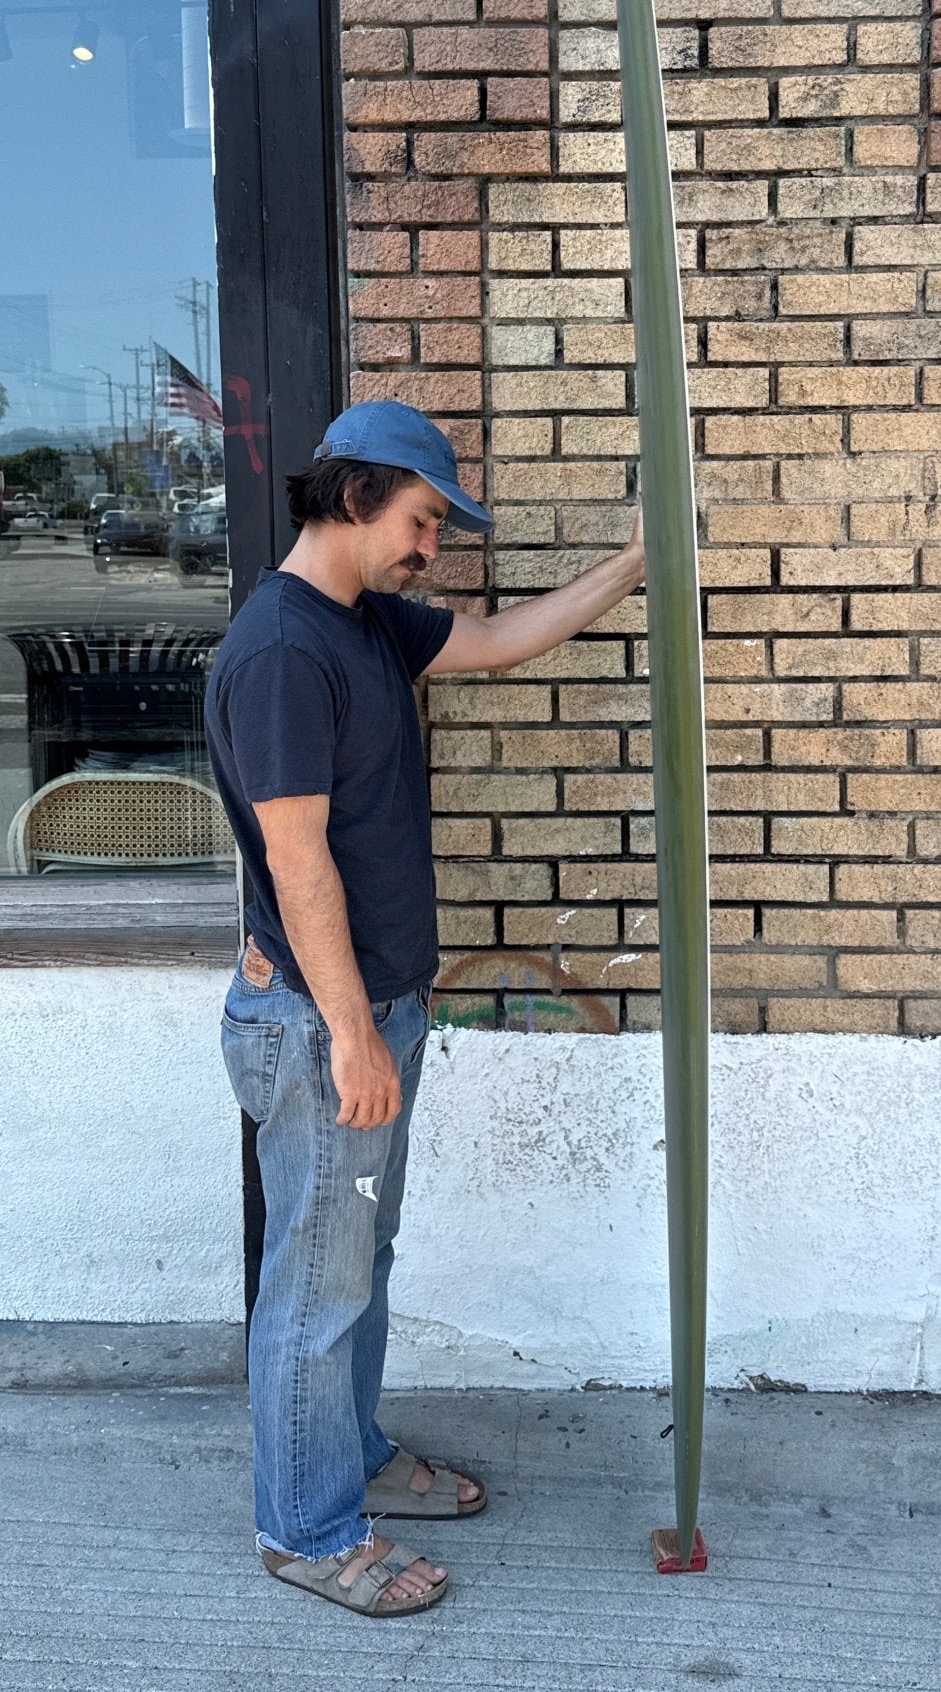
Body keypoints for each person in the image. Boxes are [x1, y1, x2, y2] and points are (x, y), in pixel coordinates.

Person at [204, 399, 645, 1619]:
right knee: (315, 1282)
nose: (431, 546)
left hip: (375, 1009)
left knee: (357, 1262)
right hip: (320, 1024)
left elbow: (498, 640)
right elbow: (298, 862)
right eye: (422, 519)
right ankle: (306, 1529)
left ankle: (348, 1457)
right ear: (358, 496)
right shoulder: (283, 650)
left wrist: (637, 563)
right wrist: (352, 1033)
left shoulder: (362, 620)